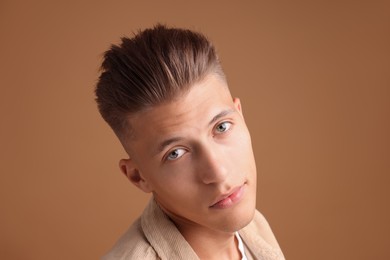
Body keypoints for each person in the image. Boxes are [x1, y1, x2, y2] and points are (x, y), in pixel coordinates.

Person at [95, 24, 284, 260]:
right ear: (138, 176)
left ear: (240, 115)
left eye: (221, 127)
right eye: (175, 153)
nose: (218, 172)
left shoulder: (254, 227)